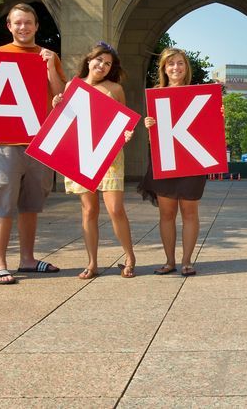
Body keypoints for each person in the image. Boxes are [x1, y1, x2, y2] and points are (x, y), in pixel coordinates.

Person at [0, 3, 66, 285]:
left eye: (28, 22)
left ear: (36, 25)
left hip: (40, 143)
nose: (23, 27)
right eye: (18, 23)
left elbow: (61, 97)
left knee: (31, 204)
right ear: (9, 26)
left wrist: (49, 67)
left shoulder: (48, 56)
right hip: (6, 143)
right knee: (2, 202)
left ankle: (28, 260)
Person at [56, 42, 137, 280]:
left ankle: (129, 256)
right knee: (89, 210)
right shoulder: (73, 85)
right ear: (89, 61)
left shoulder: (115, 88)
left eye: (108, 63)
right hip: (81, 153)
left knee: (115, 209)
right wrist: (56, 106)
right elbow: (66, 122)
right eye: (99, 60)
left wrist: (127, 133)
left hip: (108, 154)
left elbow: (124, 122)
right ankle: (92, 263)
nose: (102, 65)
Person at [138, 48, 207, 277]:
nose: (175, 68)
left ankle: (187, 261)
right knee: (166, 214)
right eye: (171, 64)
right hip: (165, 159)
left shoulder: (198, 95)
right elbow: (156, 137)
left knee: (189, 212)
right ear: (164, 69)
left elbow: (207, 129)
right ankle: (169, 261)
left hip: (191, 161)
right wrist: (149, 125)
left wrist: (217, 113)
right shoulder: (156, 95)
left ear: (186, 68)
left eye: (180, 63)